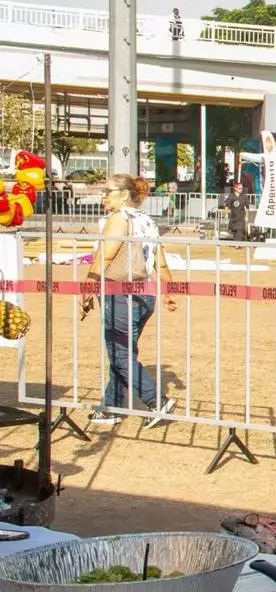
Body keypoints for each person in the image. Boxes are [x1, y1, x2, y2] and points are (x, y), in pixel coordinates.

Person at [80, 174, 178, 428]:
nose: (104, 197)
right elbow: (161, 262)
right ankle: (111, 407)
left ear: (124, 194)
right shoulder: (147, 221)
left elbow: (105, 256)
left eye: (108, 191)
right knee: (123, 352)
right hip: (145, 295)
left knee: (119, 353)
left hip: (120, 294)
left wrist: (88, 287)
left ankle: (156, 401)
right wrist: (168, 290)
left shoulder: (118, 218)